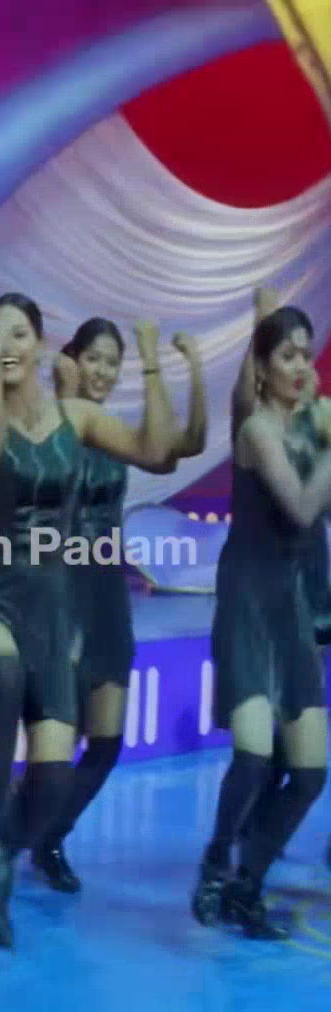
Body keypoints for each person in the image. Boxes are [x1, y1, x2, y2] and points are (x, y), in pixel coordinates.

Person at [0, 293, 176, 951]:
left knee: (50, 781)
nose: (7, 346)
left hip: (53, 604)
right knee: (2, 671)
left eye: (19, 334)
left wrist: (153, 365)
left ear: (41, 344)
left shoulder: (77, 418)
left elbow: (158, 450)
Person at [29, 317, 206, 891]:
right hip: (60, 591)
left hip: (106, 591)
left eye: (113, 362)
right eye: (94, 359)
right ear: (73, 360)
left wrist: (167, 364)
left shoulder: (115, 434)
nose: (103, 371)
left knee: (106, 742)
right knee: (59, 739)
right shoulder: (54, 424)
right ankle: (14, 834)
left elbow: (177, 448)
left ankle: (49, 837)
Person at [196, 304, 324, 937]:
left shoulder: (313, 425)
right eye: (286, 356)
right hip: (247, 598)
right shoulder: (256, 431)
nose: (300, 366)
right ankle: (217, 860)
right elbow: (299, 507)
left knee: (310, 772)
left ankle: (247, 887)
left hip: (290, 603)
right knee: (252, 756)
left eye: (306, 354)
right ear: (263, 367)